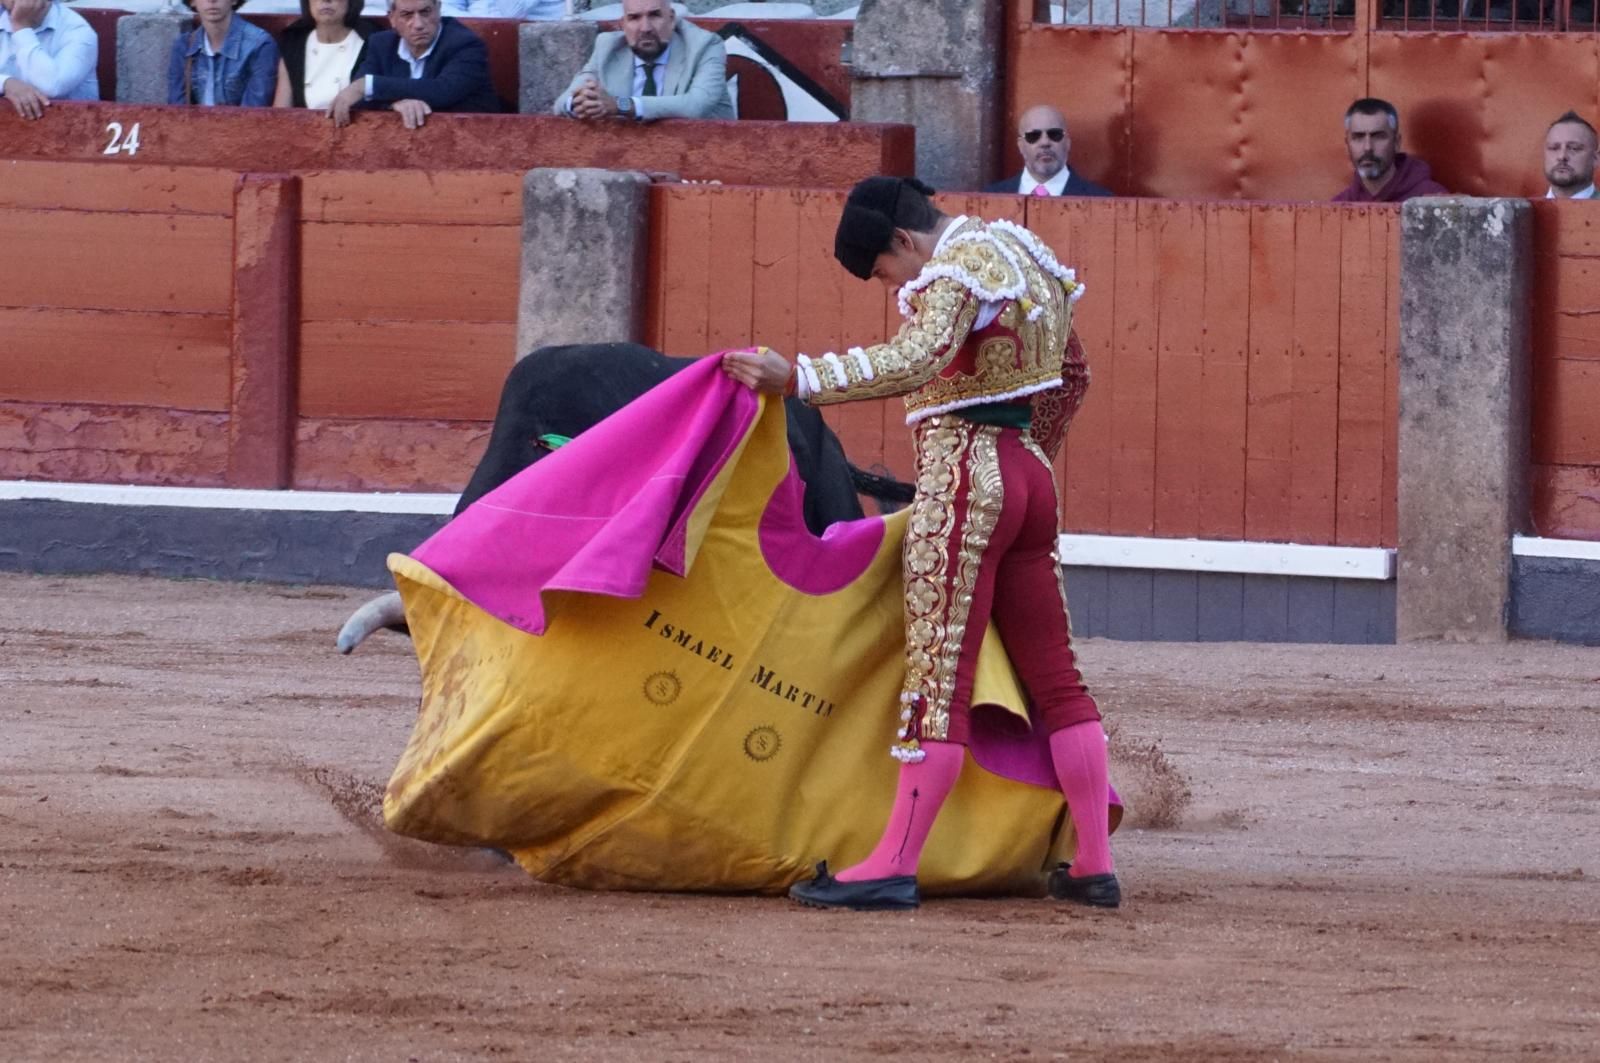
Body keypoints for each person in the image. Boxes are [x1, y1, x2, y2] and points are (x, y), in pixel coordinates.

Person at [721, 177, 1119, 912]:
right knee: (1058, 679)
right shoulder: (1024, 253)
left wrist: (799, 375)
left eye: (883, 270)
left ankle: (893, 862)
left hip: (966, 473)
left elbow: (917, 357)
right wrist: (1031, 452)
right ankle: (1094, 860)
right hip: (1028, 472)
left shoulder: (956, 268)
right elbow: (1075, 372)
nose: (892, 284)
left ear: (904, 241)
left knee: (938, 681)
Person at [329, 0, 499, 130]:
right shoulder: (380, 44)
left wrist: (369, 85)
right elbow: (358, 99)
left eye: (425, 12)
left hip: (470, 142)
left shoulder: (465, 43)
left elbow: (444, 91)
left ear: (439, 9)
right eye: (407, 15)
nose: (418, 24)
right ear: (392, 19)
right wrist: (393, 104)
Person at [553, 0, 733, 122]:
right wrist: (581, 104)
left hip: (705, 159)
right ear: (622, 24)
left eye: (654, 15)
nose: (645, 28)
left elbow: (696, 105)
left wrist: (620, 105)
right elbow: (562, 103)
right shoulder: (607, 47)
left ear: (671, 19)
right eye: (634, 18)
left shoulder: (704, 46)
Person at [167, 0, 279, 108]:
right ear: (192, 1)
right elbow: (177, 110)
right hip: (194, 126)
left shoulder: (260, 45)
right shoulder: (184, 46)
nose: (211, 0)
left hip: (240, 126)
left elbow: (253, 113)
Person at [1333, 97, 1447, 203]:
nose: (1368, 147)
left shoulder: (1433, 201)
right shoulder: (1336, 209)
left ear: (1396, 142)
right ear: (1347, 145)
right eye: (1358, 137)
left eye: (1378, 136)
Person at [984, 104, 1112, 198]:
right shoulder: (990, 197)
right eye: (1033, 136)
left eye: (1054, 134)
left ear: (1067, 142)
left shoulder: (1102, 200)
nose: (1045, 143)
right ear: (1020, 146)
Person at [0, 0, 98, 121]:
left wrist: (21, 28)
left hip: (67, 130)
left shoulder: (78, 30)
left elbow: (53, 86)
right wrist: (6, 83)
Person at [272, 0, 373, 110]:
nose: (326, 1)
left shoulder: (372, 41)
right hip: (303, 125)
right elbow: (281, 110)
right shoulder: (293, 42)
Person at [1544, 111, 1598, 200]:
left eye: (1574, 148)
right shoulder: (1524, 211)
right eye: (1554, 148)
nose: (1562, 156)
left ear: (1596, 158)